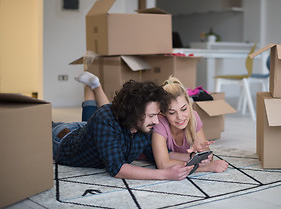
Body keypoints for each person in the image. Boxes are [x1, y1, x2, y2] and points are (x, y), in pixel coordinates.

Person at [52, 71, 194, 180]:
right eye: (152, 116)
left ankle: (92, 86)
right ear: (135, 113)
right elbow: (117, 169)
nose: (157, 121)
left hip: (88, 131)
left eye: (157, 115)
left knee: (90, 123)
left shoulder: (144, 126)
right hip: (63, 138)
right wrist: (163, 174)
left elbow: (160, 154)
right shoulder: (105, 119)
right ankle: (92, 86)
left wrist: (192, 157)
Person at [152, 76, 228, 173]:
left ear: (189, 104)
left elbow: (207, 154)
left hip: (174, 155)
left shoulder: (193, 117)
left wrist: (203, 154)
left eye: (184, 109)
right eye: (172, 112)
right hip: (147, 154)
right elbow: (163, 164)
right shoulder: (160, 123)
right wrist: (205, 168)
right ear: (163, 113)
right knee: (167, 156)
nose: (180, 117)